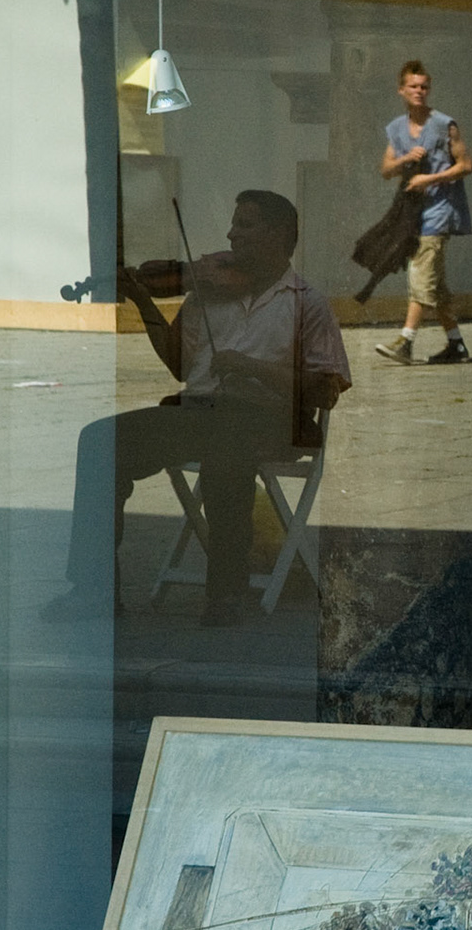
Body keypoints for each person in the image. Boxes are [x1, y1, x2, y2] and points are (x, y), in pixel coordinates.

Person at [41, 191, 352, 626]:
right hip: (201, 412)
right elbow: (179, 365)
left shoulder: (307, 302)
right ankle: (93, 591)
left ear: (279, 235)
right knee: (99, 442)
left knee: (226, 448)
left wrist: (250, 367)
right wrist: (144, 302)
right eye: (234, 223)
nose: (231, 234)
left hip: (270, 419)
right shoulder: (210, 293)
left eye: (245, 225)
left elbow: (325, 389)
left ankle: (226, 593)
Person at [375, 60, 472, 365]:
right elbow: (386, 170)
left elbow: (465, 165)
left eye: (424, 87)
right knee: (436, 285)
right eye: (413, 86)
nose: (419, 91)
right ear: (401, 90)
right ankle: (456, 344)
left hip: (440, 213)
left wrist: (429, 179)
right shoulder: (397, 128)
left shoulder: (445, 125)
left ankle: (405, 341)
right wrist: (406, 158)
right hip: (413, 215)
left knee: (421, 275)